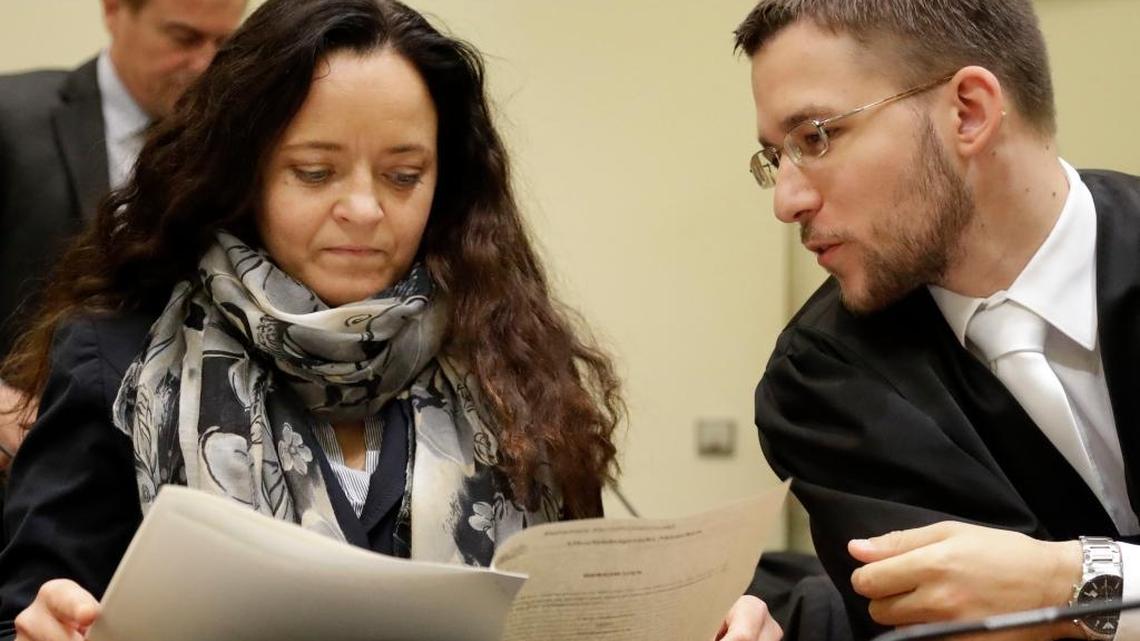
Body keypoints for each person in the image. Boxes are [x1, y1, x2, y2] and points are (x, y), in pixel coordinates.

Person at [0, 1, 780, 640]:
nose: (366, 209)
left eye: (404, 175)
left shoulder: (512, 366)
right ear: (243, 173)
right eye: (316, 171)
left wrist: (708, 624)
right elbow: (32, 607)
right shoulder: (116, 362)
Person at [736, 0, 1140, 639]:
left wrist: (1066, 582)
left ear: (969, 111)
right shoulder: (822, 382)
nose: (787, 201)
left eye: (815, 136)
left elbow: (1035, 615)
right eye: (774, 159)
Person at [0, 0, 246, 496]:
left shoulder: (236, 145)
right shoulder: (11, 119)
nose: (204, 65)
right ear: (115, 11)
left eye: (222, 44)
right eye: (183, 38)